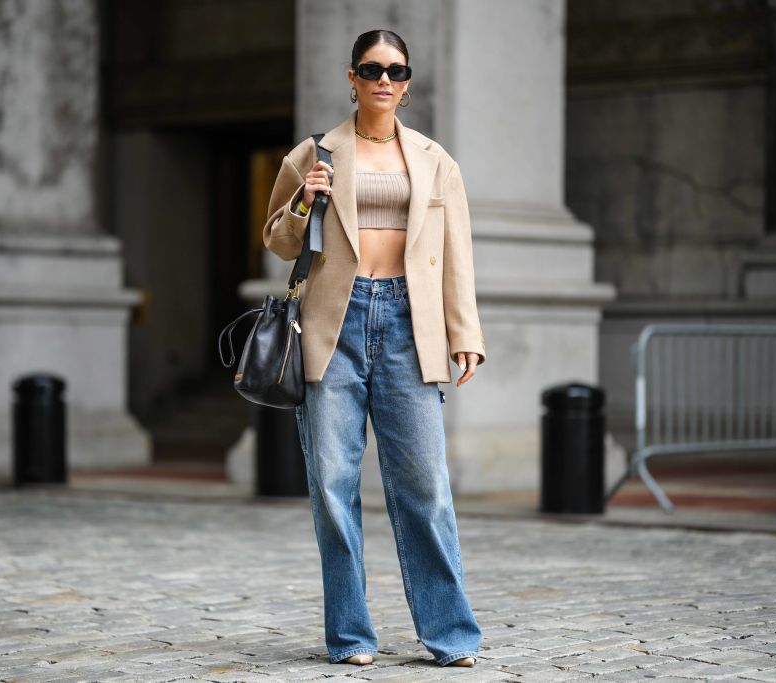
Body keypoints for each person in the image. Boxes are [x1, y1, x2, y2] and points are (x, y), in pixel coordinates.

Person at [261, 29, 485, 668]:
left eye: (395, 69)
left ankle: (449, 636)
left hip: (410, 326)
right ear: (352, 77)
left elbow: (457, 256)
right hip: (335, 323)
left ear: (407, 83)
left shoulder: (435, 159)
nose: (383, 79)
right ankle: (351, 636)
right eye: (371, 68)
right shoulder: (315, 152)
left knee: (427, 489)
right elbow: (277, 240)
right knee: (333, 488)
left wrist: (464, 332)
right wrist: (306, 200)